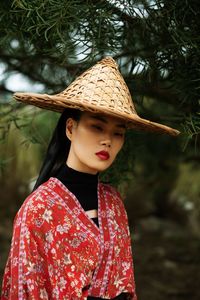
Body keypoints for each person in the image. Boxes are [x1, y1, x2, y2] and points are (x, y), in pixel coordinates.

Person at [1, 57, 180, 300]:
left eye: (118, 133)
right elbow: (24, 291)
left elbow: (125, 285)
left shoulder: (113, 202)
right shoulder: (38, 209)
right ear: (70, 128)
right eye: (97, 127)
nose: (108, 140)